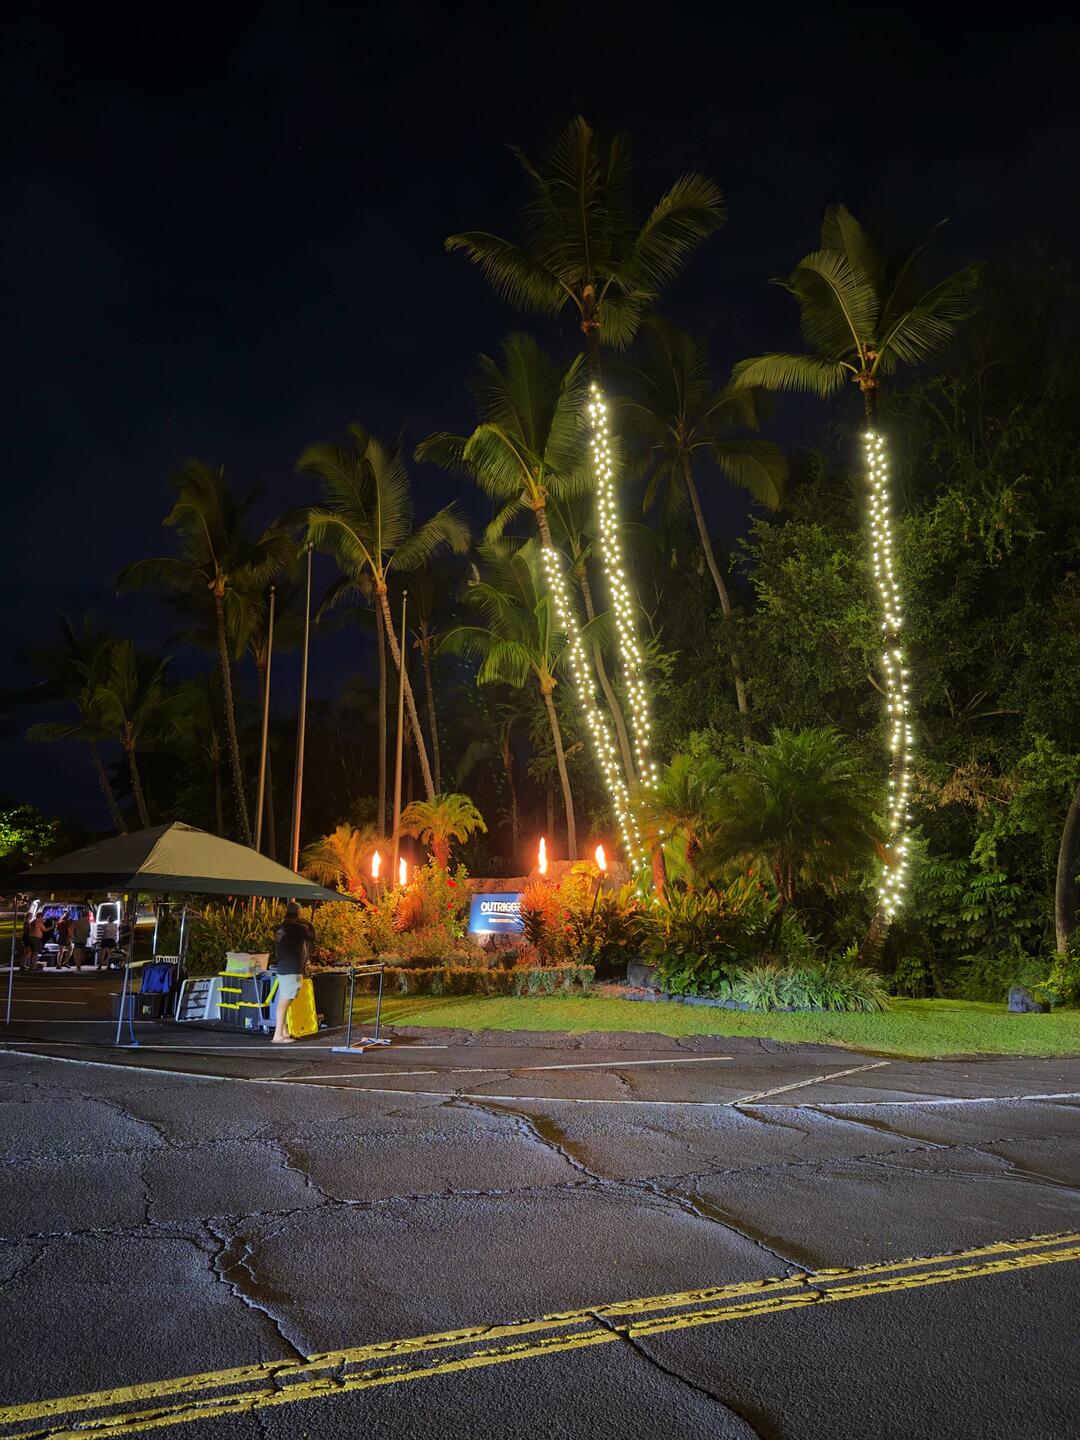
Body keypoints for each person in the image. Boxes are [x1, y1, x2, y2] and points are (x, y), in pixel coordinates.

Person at [271, 901, 316, 1044]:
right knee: (285, 1002)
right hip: (292, 969)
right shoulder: (298, 928)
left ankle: (283, 1032)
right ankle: (278, 1036)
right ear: (298, 913)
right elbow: (313, 937)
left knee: (283, 1002)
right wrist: (309, 923)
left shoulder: (280, 928)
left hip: (283, 968)